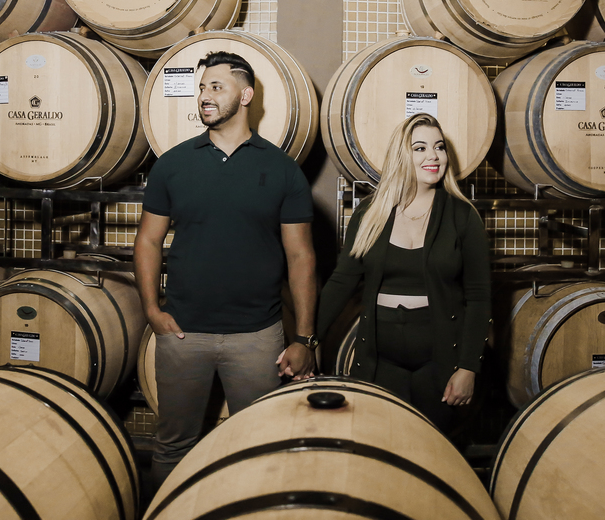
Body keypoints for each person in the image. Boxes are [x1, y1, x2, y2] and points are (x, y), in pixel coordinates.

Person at [134, 50, 318, 486]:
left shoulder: (282, 170)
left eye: (216, 86)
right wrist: (151, 310)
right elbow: (148, 240)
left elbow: (302, 258)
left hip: (257, 337)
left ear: (246, 95)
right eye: (202, 87)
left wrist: (304, 337)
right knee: (173, 445)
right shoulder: (173, 164)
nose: (204, 95)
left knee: (258, 446)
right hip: (183, 333)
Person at [315, 113, 491, 430]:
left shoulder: (462, 216)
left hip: (439, 358)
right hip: (380, 359)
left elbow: (478, 298)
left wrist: (468, 368)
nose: (433, 156)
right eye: (420, 148)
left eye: (439, 147)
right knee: (380, 442)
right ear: (401, 156)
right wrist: (307, 339)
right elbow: (342, 282)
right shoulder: (370, 213)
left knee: (435, 446)